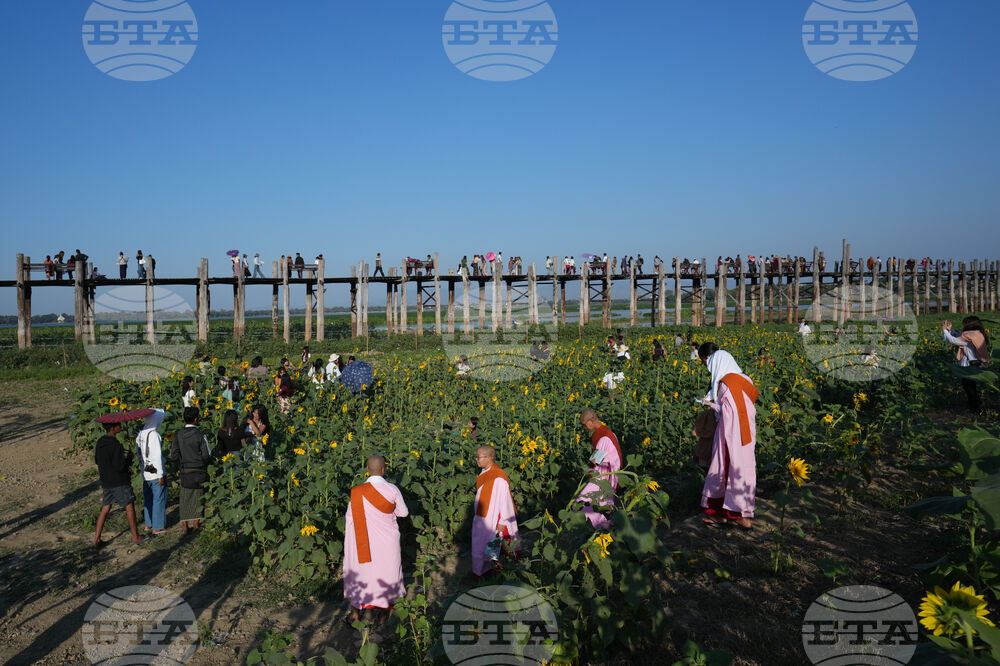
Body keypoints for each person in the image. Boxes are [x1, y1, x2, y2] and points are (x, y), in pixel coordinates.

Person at [697, 343, 758, 530]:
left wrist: (710, 404)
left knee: (725, 467)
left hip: (730, 433)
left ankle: (726, 515)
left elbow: (727, 413)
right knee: (744, 467)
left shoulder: (726, 383)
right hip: (747, 432)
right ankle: (744, 513)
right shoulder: (745, 379)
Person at [343, 455, 409, 623]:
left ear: (367, 470)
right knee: (386, 574)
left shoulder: (357, 492)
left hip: (363, 541)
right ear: (383, 469)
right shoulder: (392, 489)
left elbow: (350, 518)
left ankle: (355, 613)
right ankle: (383, 615)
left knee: (362, 573)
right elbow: (403, 513)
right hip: (387, 542)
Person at [93, 420, 145, 549]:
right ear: (113, 428)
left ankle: (96, 539)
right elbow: (120, 466)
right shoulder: (116, 445)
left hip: (106, 481)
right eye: (118, 425)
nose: (120, 427)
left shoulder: (100, 442)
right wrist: (129, 458)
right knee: (129, 507)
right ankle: (135, 536)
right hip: (119, 481)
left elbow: (97, 460)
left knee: (105, 509)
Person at [472, 445, 519, 578]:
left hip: (494, 518)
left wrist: (503, 521)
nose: (477, 460)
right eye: (476, 457)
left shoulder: (498, 476)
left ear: (490, 457)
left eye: (479, 457)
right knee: (481, 546)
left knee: (496, 548)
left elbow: (505, 501)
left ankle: (500, 575)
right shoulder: (484, 472)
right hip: (482, 517)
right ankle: (482, 573)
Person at [574, 410, 622, 529]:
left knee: (582, 502)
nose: (586, 428)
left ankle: (595, 528)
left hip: (603, 476)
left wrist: (588, 470)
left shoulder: (603, 438)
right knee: (603, 505)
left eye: (585, 425)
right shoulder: (609, 433)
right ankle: (602, 529)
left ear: (590, 422)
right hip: (610, 475)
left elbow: (596, 461)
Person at [171, 407, 212, 535]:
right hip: (198, 469)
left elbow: (174, 455)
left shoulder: (178, 434)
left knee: (184, 498)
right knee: (198, 497)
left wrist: (182, 461)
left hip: (185, 470)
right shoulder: (200, 434)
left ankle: (184, 527)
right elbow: (207, 454)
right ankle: (196, 525)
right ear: (196, 419)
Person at [943, 317, 991, 412]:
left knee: (969, 387)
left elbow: (953, 340)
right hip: (975, 363)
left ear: (969, 324)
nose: (963, 326)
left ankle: (974, 408)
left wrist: (945, 330)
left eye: (964, 324)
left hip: (969, 365)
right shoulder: (976, 334)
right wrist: (950, 330)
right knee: (971, 387)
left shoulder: (969, 336)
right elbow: (957, 337)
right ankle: (975, 406)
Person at [136, 409, 168, 534]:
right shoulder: (154, 435)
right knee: (158, 498)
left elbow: (139, 454)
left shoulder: (141, 433)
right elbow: (157, 456)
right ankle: (158, 527)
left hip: (146, 471)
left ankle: (148, 524)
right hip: (155, 471)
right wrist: (160, 475)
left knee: (148, 497)